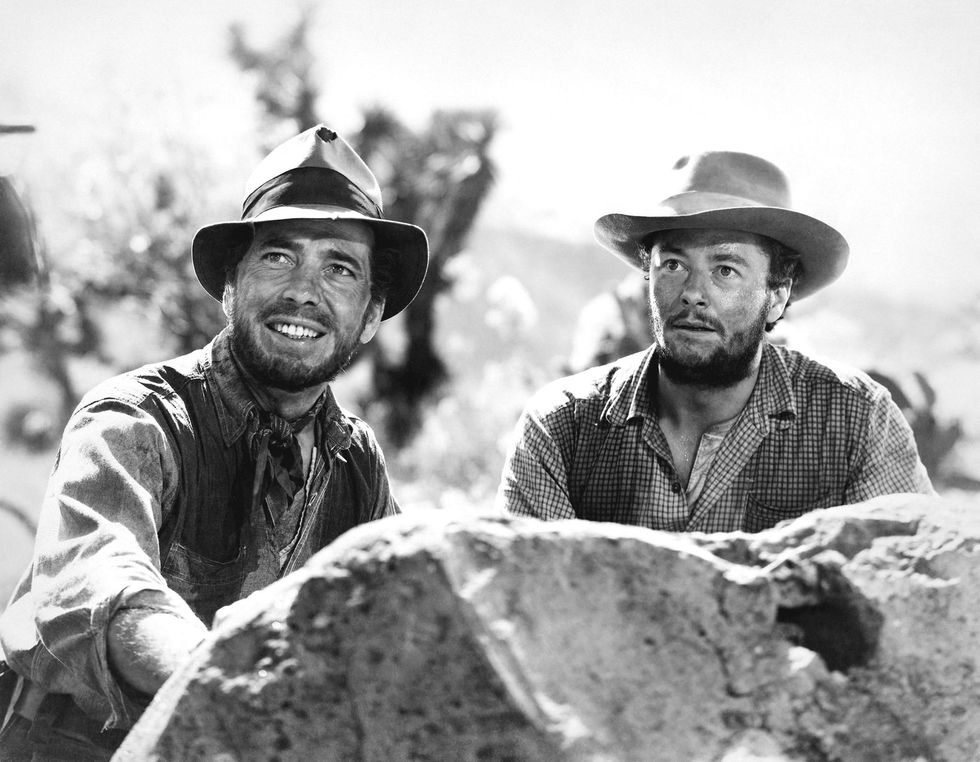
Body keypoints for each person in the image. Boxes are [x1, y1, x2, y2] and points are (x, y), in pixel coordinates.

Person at [0, 124, 428, 760]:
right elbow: (103, 583)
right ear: (231, 287)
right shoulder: (137, 418)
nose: (303, 292)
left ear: (369, 316)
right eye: (278, 257)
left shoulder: (354, 461)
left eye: (339, 269)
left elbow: (398, 617)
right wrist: (242, 692)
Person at [497, 150, 934, 528]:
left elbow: (920, 584)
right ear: (647, 278)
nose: (692, 292)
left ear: (778, 296)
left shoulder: (854, 420)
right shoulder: (562, 426)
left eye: (725, 270)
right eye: (673, 265)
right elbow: (517, 601)